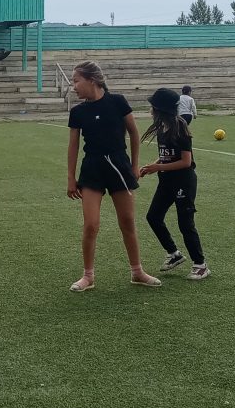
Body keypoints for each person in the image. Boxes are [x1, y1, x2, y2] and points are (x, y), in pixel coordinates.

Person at [66, 61, 161, 291]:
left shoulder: (117, 102)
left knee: (127, 221)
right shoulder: (77, 112)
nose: (73, 86)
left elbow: (134, 133)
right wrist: (70, 177)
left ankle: (137, 272)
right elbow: (73, 146)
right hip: (92, 169)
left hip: (119, 166)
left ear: (92, 80)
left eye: (76, 81)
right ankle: (88, 276)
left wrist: (135, 165)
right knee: (91, 225)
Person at [139, 87, 210, 280]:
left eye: (153, 106)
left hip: (183, 181)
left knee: (185, 223)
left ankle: (200, 265)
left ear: (160, 109)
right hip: (167, 181)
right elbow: (167, 156)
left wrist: (158, 167)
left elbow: (186, 162)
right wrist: (152, 166)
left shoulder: (180, 127)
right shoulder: (162, 127)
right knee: (153, 217)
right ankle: (174, 254)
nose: (150, 110)